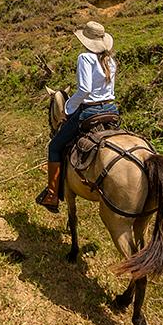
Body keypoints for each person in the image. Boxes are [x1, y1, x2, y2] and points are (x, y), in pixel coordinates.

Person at [36, 21, 118, 213]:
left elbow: (85, 90)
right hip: (111, 110)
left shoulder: (85, 58)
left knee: (54, 146)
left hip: (90, 111)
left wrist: (68, 107)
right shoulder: (110, 60)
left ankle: (52, 194)